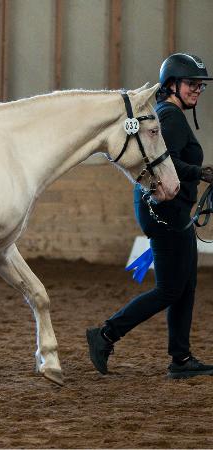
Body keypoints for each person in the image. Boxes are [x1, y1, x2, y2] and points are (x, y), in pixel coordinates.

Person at [87, 53, 213, 379]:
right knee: (170, 289)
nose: (197, 90)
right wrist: (199, 172)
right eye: (191, 83)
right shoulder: (169, 117)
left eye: (200, 85)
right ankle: (106, 334)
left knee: (185, 286)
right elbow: (160, 163)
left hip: (174, 211)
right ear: (171, 84)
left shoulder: (171, 115)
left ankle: (181, 359)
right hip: (164, 211)